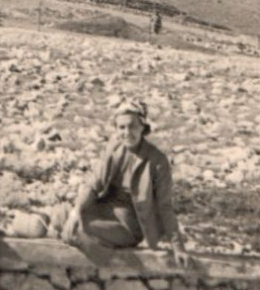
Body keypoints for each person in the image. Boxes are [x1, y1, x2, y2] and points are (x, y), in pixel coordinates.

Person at [63, 99, 188, 268]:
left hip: (129, 226)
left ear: (143, 127)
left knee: (78, 228)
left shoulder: (157, 161)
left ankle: (107, 261)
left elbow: (165, 206)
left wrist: (178, 246)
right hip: (105, 212)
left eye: (132, 126)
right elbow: (93, 183)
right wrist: (76, 210)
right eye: (121, 127)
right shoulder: (114, 149)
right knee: (63, 215)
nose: (127, 132)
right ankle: (91, 245)